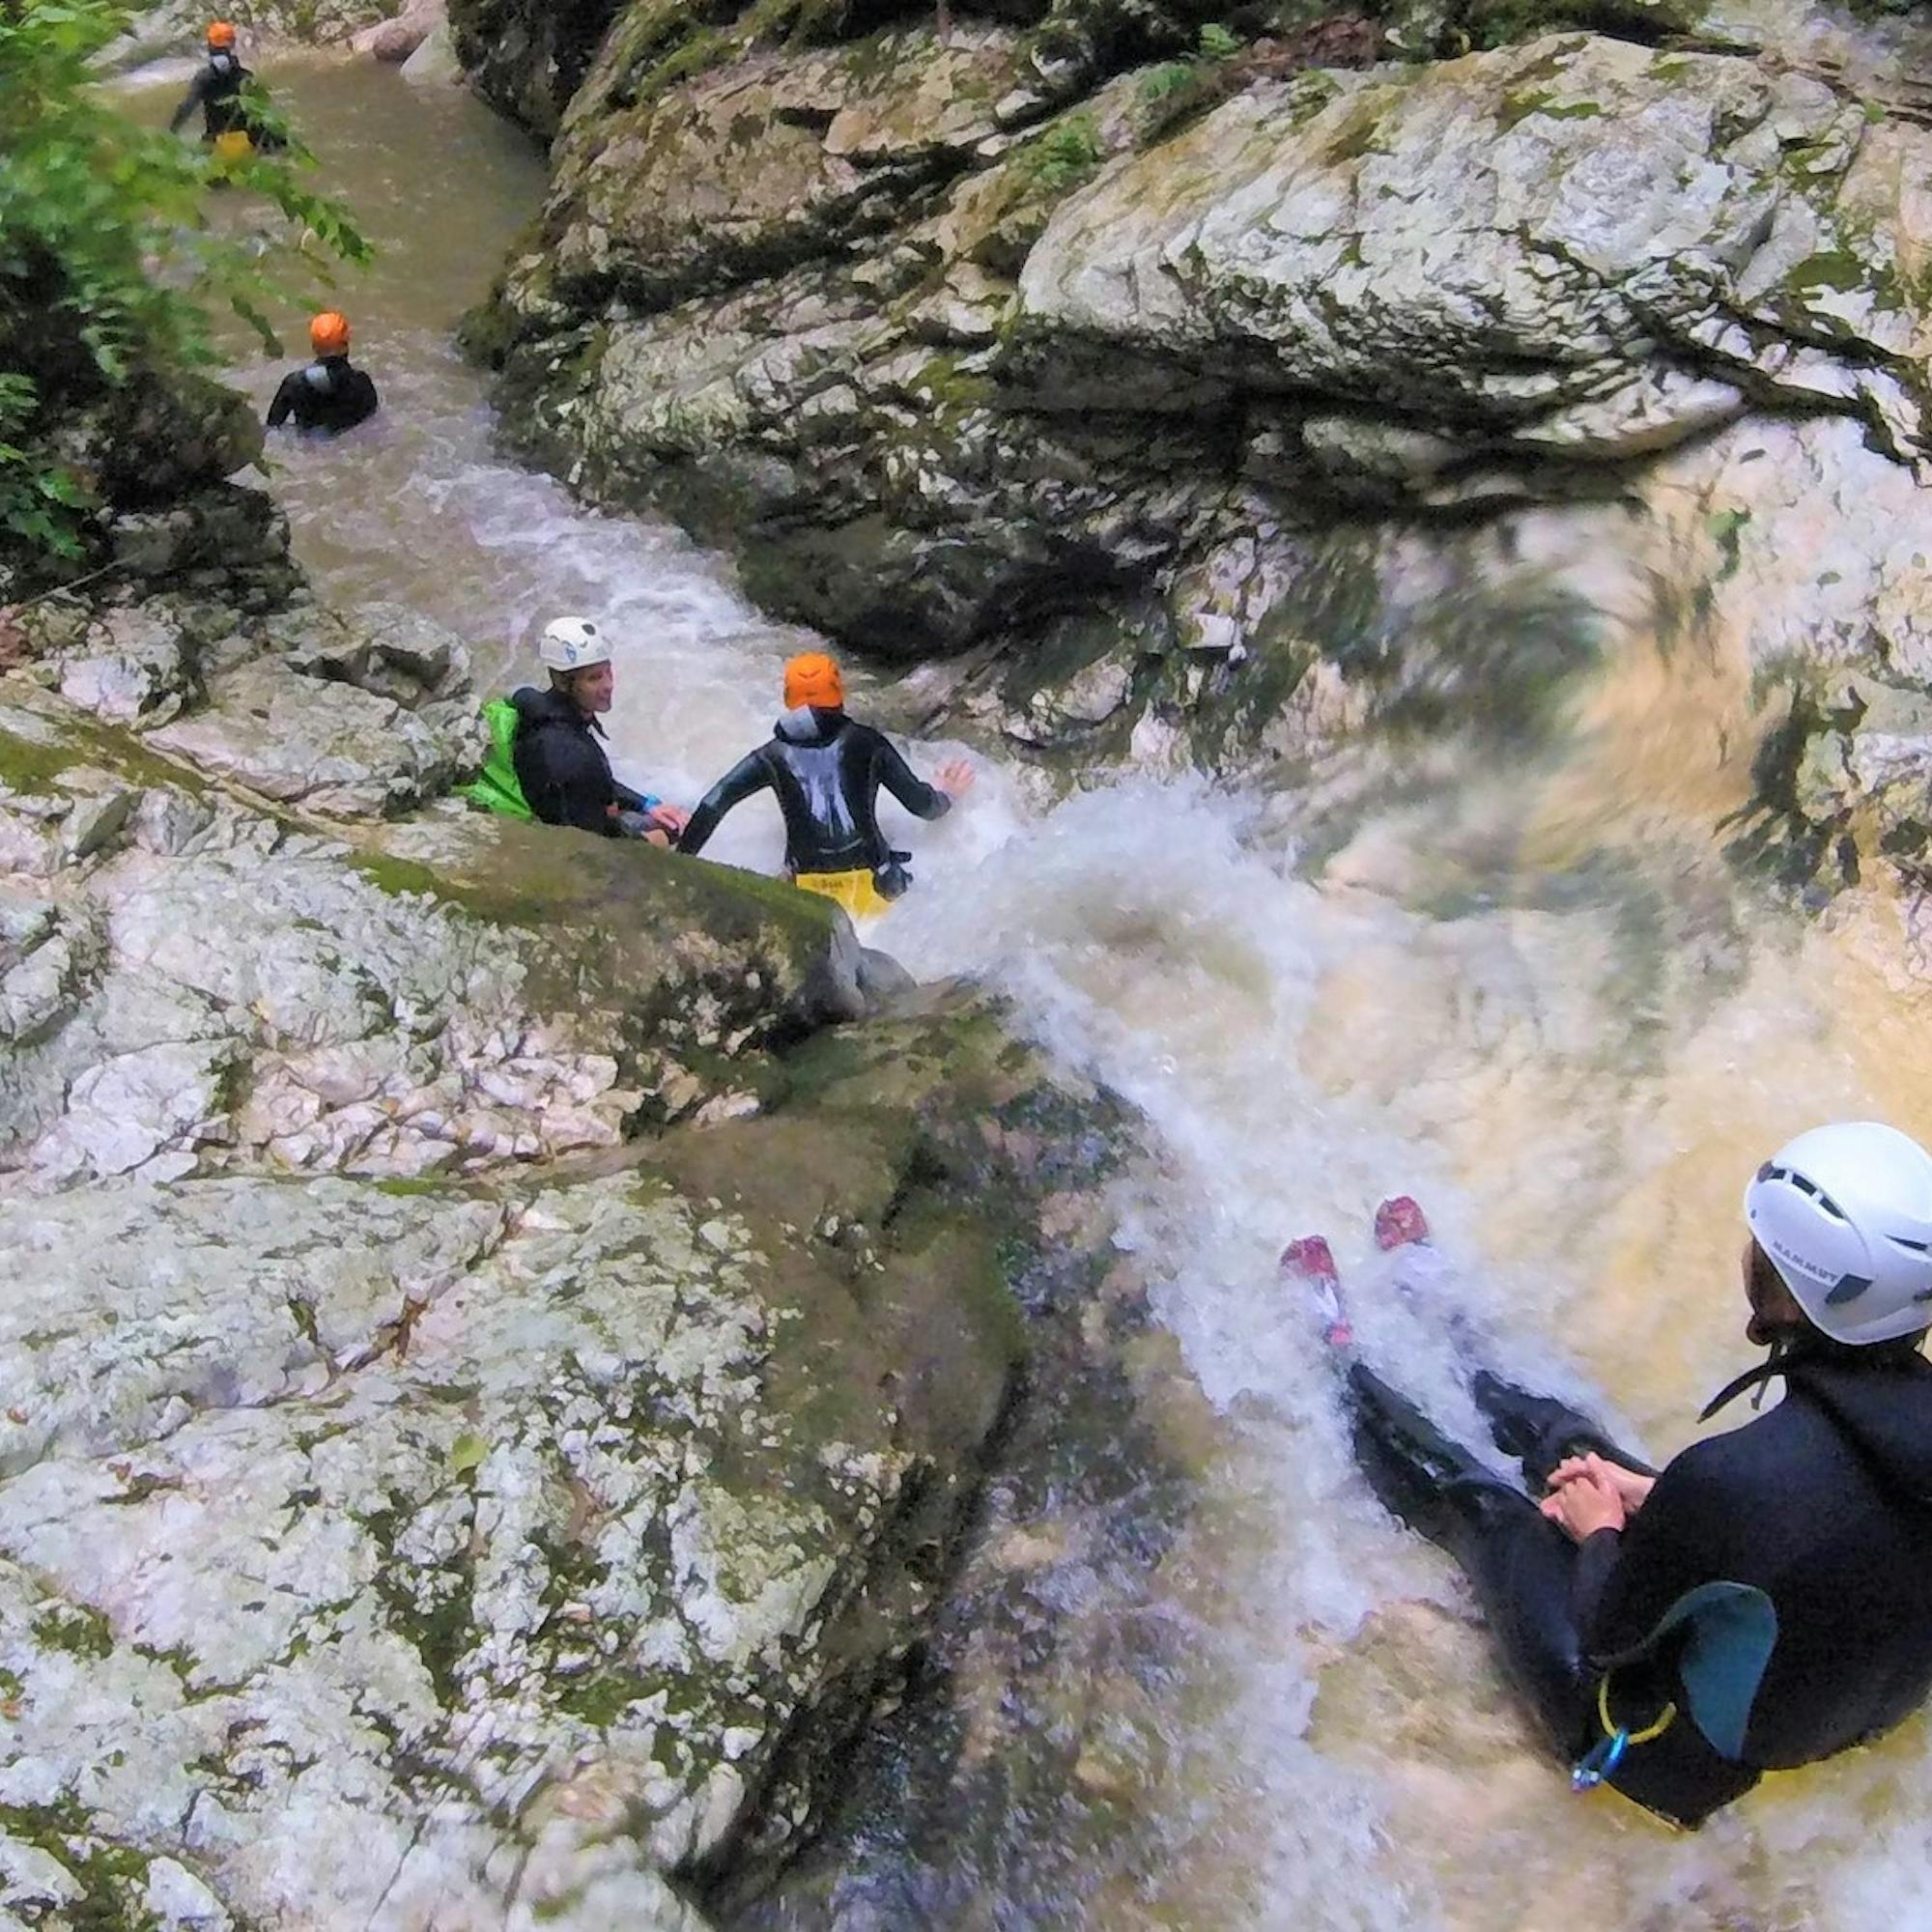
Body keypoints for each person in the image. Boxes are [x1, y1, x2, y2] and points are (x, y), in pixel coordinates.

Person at [1285, 1122, 1932, 1830]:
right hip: (1828, 1707)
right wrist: (1659, 1500)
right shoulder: (1747, 1478)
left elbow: (1609, 1634)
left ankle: (1339, 1362)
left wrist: (1600, 1534)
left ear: (1783, 1301)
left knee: (1490, 1509)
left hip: (1670, 1756)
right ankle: (1461, 1342)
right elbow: (1819, 1530)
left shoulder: (1730, 1483)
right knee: (1584, 1451)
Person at [676, 652, 973, 918]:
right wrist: (947, 795)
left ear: (788, 699)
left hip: (805, 892)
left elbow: (715, 801)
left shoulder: (771, 755)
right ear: (839, 694)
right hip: (877, 883)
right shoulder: (868, 742)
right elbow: (923, 806)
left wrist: (676, 864)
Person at [470, 616, 687, 842]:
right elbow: (590, 840)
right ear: (563, 683)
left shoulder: (545, 713)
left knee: (669, 817)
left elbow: (590, 785)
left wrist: (646, 805)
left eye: (608, 672)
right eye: (594, 678)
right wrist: (654, 840)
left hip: (579, 810)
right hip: (567, 834)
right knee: (676, 829)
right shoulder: (565, 752)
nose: (608, 685)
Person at [168, 21, 283, 152]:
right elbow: (262, 112)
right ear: (233, 45)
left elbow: (186, 107)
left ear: (209, 48)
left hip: (216, 139)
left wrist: (171, 133)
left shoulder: (203, 79)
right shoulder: (245, 77)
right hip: (250, 138)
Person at [266, 313, 381, 435]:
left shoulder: (294, 384)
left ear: (314, 346)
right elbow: (374, 424)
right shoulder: (361, 383)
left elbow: (272, 427)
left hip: (308, 443)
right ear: (346, 343)